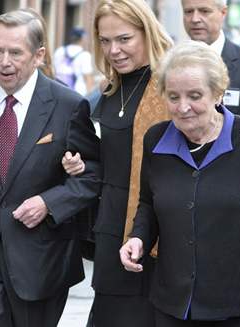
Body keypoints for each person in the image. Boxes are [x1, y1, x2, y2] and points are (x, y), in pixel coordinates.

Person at [120, 40, 240, 327]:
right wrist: (138, 238)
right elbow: (149, 202)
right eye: (173, 96)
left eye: (195, 95)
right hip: (175, 304)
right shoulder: (156, 139)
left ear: (218, 93)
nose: (183, 107)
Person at [0, 9, 101, 327]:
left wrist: (49, 202)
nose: (4, 61)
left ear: (38, 55)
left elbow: (92, 174)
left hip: (41, 257)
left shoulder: (69, 105)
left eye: (15, 52)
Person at [62, 0, 172, 326]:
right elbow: (104, 159)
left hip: (160, 230)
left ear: (146, 33)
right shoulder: (108, 91)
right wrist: (81, 165)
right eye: (105, 40)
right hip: (112, 229)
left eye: (124, 39)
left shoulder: (169, 87)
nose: (114, 50)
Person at [181, 0, 240, 121]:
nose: (195, 19)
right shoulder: (169, 64)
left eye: (204, 11)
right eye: (188, 11)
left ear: (223, 13)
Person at [53, 27, 94, 96]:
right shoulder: (85, 55)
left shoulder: (59, 51)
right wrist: (89, 96)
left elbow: (53, 70)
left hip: (58, 92)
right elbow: (88, 77)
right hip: (78, 94)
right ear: (82, 39)